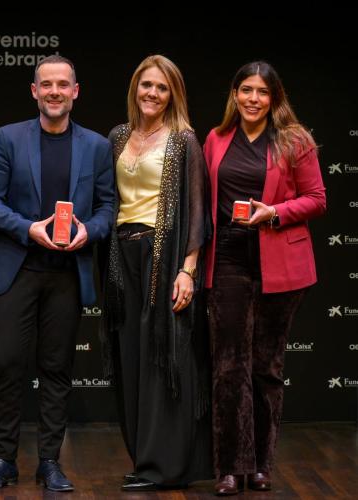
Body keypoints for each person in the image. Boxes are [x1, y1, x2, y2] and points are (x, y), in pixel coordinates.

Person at [0, 55, 115, 492]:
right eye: (46, 84)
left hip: (68, 273)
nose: (55, 91)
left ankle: (50, 461)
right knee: (5, 363)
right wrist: (28, 228)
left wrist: (89, 231)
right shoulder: (9, 138)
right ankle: (3, 460)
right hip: (17, 268)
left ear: (76, 91)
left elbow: (109, 207)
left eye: (62, 84)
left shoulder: (97, 146)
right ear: (34, 91)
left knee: (56, 368)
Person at [204, 61, 326, 496]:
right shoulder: (216, 139)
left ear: (274, 98)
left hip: (280, 266)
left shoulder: (295, 140)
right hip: (227, 262)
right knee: (228, 367)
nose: (253, 99)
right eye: (246, 90)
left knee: (265, 368)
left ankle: (260, 465)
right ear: (234, 94)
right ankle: (229, 468)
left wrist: (274, 212)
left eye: (262, 92)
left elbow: (316, 199)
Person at [99, 55, 212, 492]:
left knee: (163, 358)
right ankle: (142, 459)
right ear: (135, 88)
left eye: (162, 87)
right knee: (131, 357)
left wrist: (188, 270)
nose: (152, 93)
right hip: (120, 257)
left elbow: (198, 212)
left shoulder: (184, 140)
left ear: (173, 94)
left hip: (164, 258)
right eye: (147, 85)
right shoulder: (117, 136)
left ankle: (165, 467)